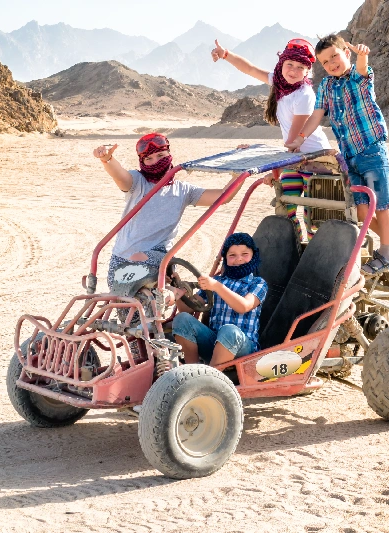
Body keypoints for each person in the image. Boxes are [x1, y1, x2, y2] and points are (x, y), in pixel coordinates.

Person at [285, 34, 389, 275]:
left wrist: (363, 56)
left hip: (371, 149)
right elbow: (317, 114)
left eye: (334, 57)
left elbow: (362, 68)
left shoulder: (359, 77)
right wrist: (300, 138)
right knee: (360, 209)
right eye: (325, 62)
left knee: (380, 204)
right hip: (348, 156)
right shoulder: (327, 86)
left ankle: (385, 254)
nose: (331, 64)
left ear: (345, 53)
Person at [211, 38, 331, 241]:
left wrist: (276, 171)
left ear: (308, 71)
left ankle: (313, 253)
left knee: (314, 216)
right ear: (281, 64)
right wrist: (226, 55)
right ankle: (296, 250)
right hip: (295, 160)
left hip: (315, 160)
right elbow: (249, 69)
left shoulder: (304, 95)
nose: (293, 71)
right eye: (289, 64)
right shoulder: (279, 82)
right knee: (286, 209)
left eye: (300, 67)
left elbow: (293, 141)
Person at [93, 133, 244, 289]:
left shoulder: (183, 190)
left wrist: (240, 170)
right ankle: (171, 292)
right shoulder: (137, 182)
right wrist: (107, 159)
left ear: (169, 155)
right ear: (142, 161)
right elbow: (120, 175)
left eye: (160, 155)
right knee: (129, 310)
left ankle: (172, 291)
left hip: (159, 261)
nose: (156, 161)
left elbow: (223, 197)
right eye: (149, 159)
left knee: (150, 297)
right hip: (121, 262)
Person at [172, 233, 268, 366]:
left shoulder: (258, 283)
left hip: (243, 347)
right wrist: (177, 290)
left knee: (229, 331)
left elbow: (244, 306)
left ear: (253, 256)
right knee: (182, 319)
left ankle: (209, 377)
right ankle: (192, 371)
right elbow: (187, 309)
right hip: (214, 343)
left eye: (244, 254)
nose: (239, 259)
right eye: (232, 255)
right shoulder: (217, 281)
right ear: (225, 259)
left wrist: (217, 287)